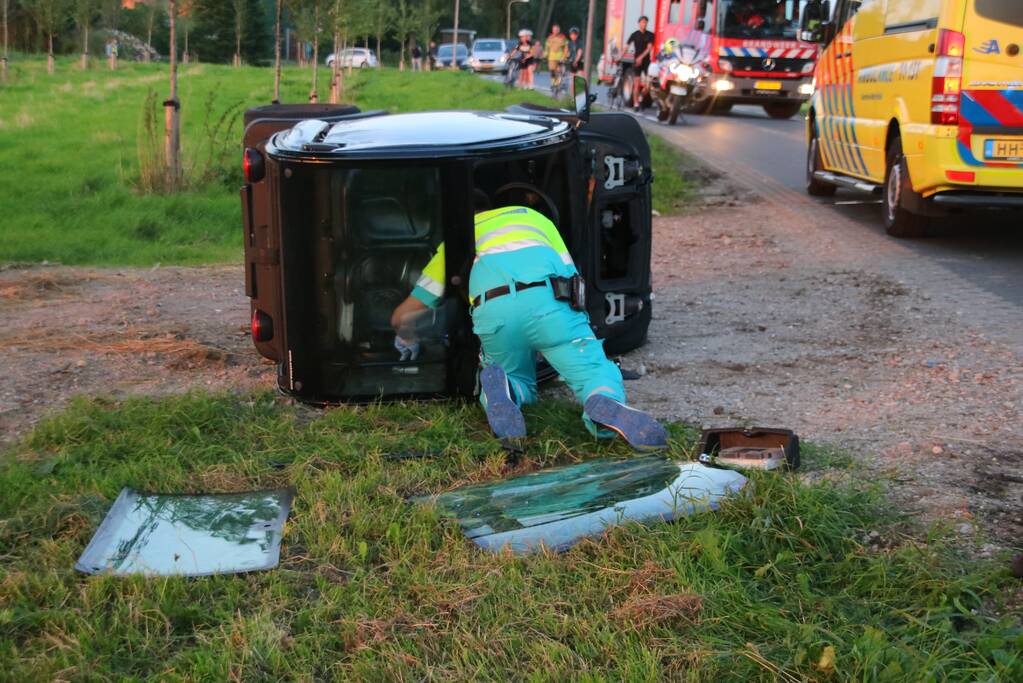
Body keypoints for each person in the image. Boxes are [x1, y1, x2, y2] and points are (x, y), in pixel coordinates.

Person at [390, 203, 668, 451]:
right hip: (550, 301)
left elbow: (404, 316)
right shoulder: (535, 219)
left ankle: (506, 389)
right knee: (593, 371)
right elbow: (572, 278)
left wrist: (407, 338)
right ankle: (603, 401)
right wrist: (568, 336)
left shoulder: (455, 240)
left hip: (493, 310)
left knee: (513, 375)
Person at [627, 15, 655, 112]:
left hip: (646, 62)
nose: (644, 24)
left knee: (648, 85)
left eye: (645, 22)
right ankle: (636, 104)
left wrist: (641, 57)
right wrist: (620, 56)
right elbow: (627, 46)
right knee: (636, 84)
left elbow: (649, 48)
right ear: (639, 23)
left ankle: (640, 97)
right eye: (642, 22)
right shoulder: (634, 34)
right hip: (637, 62)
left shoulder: (650, 35)